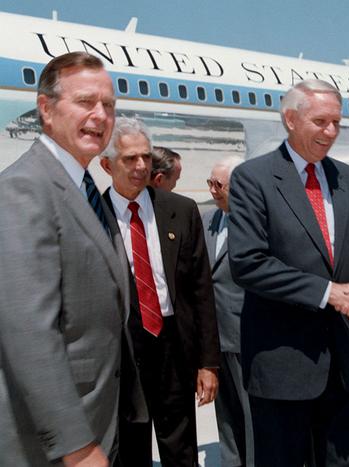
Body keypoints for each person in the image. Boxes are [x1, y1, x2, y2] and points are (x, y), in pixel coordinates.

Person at [227, 79, 349, 467]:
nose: (331, 131)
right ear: (289, 119)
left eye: (336, 121)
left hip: (342, 360)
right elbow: (248, 262)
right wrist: (327, 292)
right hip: (282, 363)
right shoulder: (254, 178)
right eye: (320, 121)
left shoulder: (347, 180)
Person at [0, 52, 146, 467]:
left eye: (109, 105)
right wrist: (77, 447)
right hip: (53, 444)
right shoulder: (24, 189)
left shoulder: (80, 185)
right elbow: (29, 333)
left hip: (100, 420)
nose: (101, 116)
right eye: (85, 102)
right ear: (46, 109)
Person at [100, 117, 220, 467]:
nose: (141, 167)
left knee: (181, 449)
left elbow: (201, 291)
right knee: (130, 450)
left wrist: (208, 363)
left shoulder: (180, 211)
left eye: (146, 157)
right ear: (107, 164)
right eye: (129, 159)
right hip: (123, 352)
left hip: (173, 347)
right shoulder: (92, 215)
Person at [202, 155, 255, 467]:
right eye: (210, 182)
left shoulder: (256, 223)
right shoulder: (208, 219)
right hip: (215, 339)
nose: (212, 190)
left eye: (218, 184)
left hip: (246, 336)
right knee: (226, 415)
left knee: (252, 416)